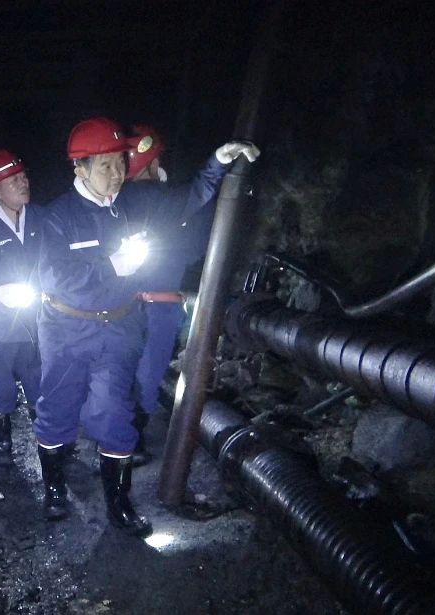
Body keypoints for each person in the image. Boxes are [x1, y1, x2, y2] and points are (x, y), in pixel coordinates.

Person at [34, 116, 258, 537]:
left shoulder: (132, 203)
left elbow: (188, 198)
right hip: (66, 329)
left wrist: (218, 161)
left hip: (119, 326)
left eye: (120, 163)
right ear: (79, 168)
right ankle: (54, 487)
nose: (116, 173)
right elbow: (52, 276)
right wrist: (110, 267)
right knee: (58, 408)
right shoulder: (58, 217)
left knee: (115, 412)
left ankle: (119, 504)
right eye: (105, 165)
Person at [126, 125, 244, 466]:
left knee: (122, 373)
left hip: (124, 307)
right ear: (149, 163)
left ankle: (120, 438)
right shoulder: (163, 199)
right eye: (156, 159)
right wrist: (218, 161)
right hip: (158, 304)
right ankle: (130, 439)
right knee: (146, 376)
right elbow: (201, 190)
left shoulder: (113, 202)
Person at [0, 149, 44, 465]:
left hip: (37, 322)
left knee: (40, 382)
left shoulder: (41, 217)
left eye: (23, 176)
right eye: (14, 180)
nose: (23, 182)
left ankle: (50, 443)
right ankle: (2, 445)